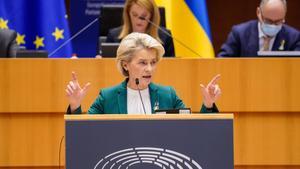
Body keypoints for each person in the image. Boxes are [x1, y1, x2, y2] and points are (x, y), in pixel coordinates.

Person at [66, 32, 221, 114]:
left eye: (153, 62)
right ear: (125, 65)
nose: (149, 69)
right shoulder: (107, 97)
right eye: (142, 62)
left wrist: (208, 104)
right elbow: (85, 135)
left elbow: (192, 132)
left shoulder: (168, 95)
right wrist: (75, 106)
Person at [218, 0, 300, 57]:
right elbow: (223, 61)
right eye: (268, 21)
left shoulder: (294, 38)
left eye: (278, 21)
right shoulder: (239, 33)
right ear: (258, 13)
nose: (273, 25)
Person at [105, 0, 175, 57]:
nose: (138, 21)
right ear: (128, 14)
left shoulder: (165, 37)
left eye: (143, 16)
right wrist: (100, 61)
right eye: (134, 15)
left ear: (152, 16)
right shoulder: (114, 36)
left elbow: (172, 66)